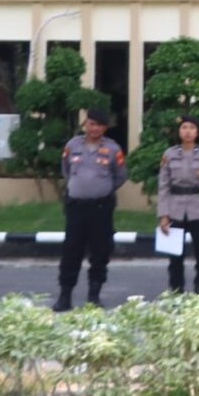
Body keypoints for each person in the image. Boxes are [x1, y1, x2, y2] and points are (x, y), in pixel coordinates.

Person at [56, 108, 128, 311]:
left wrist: (101, 188)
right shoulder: (72, 145)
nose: (93, 128)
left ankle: (94, 296)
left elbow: (120, 176)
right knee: (71, 251)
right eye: (90, 123)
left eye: (98, 125)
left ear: (104, 127)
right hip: (76, 207)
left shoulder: (113, 149)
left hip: (100, 207)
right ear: (85, 124)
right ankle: (65, 296)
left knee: (100, 251)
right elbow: (66, 170)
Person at [156, 116, 199, 294]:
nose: (187, 131)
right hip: (175, 207)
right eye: (184, 127)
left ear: (197, 132)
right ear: (178, 131)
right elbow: (163, 185)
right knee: (175, 256)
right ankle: (176, 291)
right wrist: (163, 214)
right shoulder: (169, 154)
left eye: (191, 127)